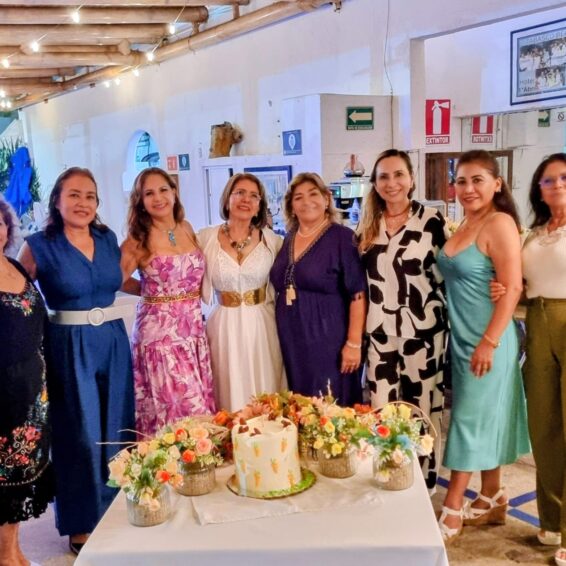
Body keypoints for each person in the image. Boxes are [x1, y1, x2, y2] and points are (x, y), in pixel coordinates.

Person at [18, 168, 135, 555]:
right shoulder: (38, 245)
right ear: (57, 200)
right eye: (74, 195)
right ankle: (82, 520)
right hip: (67, 345)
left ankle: (118, 509)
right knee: (78, 433)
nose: (83, 203)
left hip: (113, 342)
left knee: (117, 426)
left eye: (90, 196)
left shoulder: (107, 238)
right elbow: (17, 293)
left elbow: (119, 280)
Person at [436, 150, 529, 543]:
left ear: (497, 183)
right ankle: (492, 494)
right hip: (462, 338)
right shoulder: (463, 224)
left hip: (489, 339)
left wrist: (489, 342)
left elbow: (514, 287)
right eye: (461, 181)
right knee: (484, 415)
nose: (468, 188)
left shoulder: (500, 222)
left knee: (468, 419)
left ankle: (453, 504)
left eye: (477, 180)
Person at [357, 149, 447, 492]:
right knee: (382, 409)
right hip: (380, 334)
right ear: (375, 183)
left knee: (421, 410)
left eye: (398, 175)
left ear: (411, 179)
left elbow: (452, 273)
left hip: (423, 333)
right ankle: (390, 476)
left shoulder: (432, 221)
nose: (391, 183)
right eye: (384, 176)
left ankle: (422, 484)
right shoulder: (368, 224)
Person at [121, 167, 215, 435]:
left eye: (163, 189)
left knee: (199, 413)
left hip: (193, 333)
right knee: (180, 412)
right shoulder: (138, 239)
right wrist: (150, 290)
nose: (158, 198)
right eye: (149, 193)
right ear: (140, 201)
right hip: (159, 338)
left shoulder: (186, 228)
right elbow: (114, 279)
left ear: (174, 192)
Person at [270, 172, 367, 406]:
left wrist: (354, 343)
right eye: (298, 197)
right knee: (301, 406)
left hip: (329, 340)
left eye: (313, 194)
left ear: (326, 199)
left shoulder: (343, 238)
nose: (307, 202)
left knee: (331, 406)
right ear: (291, 207)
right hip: (294, 341)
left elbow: (358, 294)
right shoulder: (288, 238)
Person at [198, 173, 285, 411]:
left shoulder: (272, 241)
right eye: (240, 193)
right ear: (227, 200)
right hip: (223, 326)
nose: (246, 199)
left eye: (254, 196)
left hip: (262, 324)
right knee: (228, 386)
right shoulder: (205, 238)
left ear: (259, 206)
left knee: (265, 385)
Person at [0, 196, 54, 566]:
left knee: (23, 473)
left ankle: (14, 549)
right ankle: (6, 556)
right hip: (2, 393)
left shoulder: (16, 266)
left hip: (33, 392)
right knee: (3, 478)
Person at [520, 153, 566, 566]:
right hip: (536, 322)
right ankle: (551, 521)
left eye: (564, 178)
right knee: (544, 427)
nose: (557, 185)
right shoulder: (533, 234)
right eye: (548, 180)